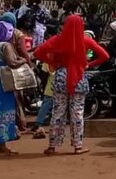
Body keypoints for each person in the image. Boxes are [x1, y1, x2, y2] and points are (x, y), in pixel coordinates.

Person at [35, 15, 110, 155]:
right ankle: (78, 146)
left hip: (61, 76)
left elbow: (38, 52)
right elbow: (104, 56)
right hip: (78, 76)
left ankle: (52, 146)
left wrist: (53, 62)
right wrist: (88, 64)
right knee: (77, 113)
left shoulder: (57, 40)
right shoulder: (86, 40)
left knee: (58, 112)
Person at [0, 22, 30, 155]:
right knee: (4, 112)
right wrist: (24, 60)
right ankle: (2, 144)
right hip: (3, 83)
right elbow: (12, 63)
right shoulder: (5, 45)